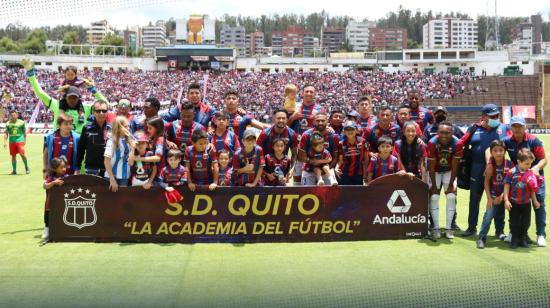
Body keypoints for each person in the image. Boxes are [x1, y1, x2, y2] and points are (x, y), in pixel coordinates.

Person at [459, 104, 511, 237]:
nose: (496, 118)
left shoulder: (504, 128)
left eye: (497, 115)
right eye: (492, 116)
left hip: (497, 170)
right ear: (483, 117)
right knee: (474, 199)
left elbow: (514, 143)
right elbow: (460, 143)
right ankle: (471, 228)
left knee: (497, 201)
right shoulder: (474, 129)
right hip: (476, 169)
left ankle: (499, 231)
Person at [22, 57, 106, 133]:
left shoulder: (86, 108)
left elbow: (105, 104)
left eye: (75, 97)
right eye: (70, 97)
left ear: (79, 97)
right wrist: (31, 74)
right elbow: (40, 93)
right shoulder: (56, 104)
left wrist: (94, 90)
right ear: (65, 96)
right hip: (59, 145)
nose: (72, 100)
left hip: (78, 147)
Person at [502, 116, 547, 247]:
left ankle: (540, 235)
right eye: (514, 126)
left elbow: (544, 159)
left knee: (539, 204)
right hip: (516, 180)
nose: (517, 129)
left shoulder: (534, 141)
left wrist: (536, 168)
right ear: (510, 127)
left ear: (525, 127)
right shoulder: (507, 141)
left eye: (519, 126)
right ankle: (513, 233)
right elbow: (492, 148)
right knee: (515, 207)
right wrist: (489, 163)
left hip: (535, 180)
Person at [427, 122, 462, 239]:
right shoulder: (432, 143)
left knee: (451, 196)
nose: (444, 135)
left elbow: (455, 165)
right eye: (441, 132)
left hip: (449, 171)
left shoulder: (457, 143)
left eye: (447, 133)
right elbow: (431, 166)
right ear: (437, 133)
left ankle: (448, 228)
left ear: (452, 133)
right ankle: (436, 228)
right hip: (435, 171)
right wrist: (433, 185)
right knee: (434, 197)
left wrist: (452, 183)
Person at [476, 140, 513, 249]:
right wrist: (489, 198)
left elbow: (510, 183)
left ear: (505, 151)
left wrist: (501, 197)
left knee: (502, 214)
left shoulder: (510, 164)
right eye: (495, 151)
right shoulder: (489, 165)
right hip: (492, 196)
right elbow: (486, 183)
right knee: (488, 216)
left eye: (501, 150)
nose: (498, 153)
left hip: (506, 196)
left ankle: (501, 233)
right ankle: (481, 238)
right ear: (491, 152)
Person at [504, 148, 542, 249]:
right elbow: (506, 186)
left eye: (530, 164)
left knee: (526, 222)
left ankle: (522, 239)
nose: (529, 166)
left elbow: (532, 189)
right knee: (514, 222)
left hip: (526, 203)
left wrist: (535, 200)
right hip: (514, 202)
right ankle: (514, 240)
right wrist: (506, 200)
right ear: (519, 161)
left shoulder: (530, 173)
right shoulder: (511, 172)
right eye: (527, 164)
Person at [288, 85, 326, 185]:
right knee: (297, 176)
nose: (309, 93)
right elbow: (285, 126)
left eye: (311, 92)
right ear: (302, 93)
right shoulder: (295, 106)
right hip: (298, 147)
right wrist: (292, 117)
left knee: (314, 176)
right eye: (307, 91)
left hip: (314, 147)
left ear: (315, 94)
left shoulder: (320, 109)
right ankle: (297, 198)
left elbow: (324, 126)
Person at [297, 112, 340, 185]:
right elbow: (301, 156)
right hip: (309, 169)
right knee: (307, 193)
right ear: (313, 121)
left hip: (327, 169)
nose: (320, 123)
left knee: (331, 193)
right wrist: (313, 162)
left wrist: (327, 169)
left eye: (323, 120)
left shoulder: (333, 136)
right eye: (318, 120)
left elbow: (335, 157)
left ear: (327, 121)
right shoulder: (306, 135)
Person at [76, 100, 111, 176]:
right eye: (98, 111)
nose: (101, 113)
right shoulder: (86, 128)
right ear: (93, 112)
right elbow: (80, 150)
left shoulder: (112, 128)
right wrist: (77, 167)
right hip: (91, 168)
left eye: (104, 111)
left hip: (108, 169)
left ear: (107, 112)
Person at [43, 114, 80, 178]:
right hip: (53, 175)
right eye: (66, 124)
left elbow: (80, 156)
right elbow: (45, 154)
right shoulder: (50, 137)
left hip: (71, 174)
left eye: (70, 124)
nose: (69, 126)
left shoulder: (77, 138)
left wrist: (77, 170)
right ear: (59, 125)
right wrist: (45, 170)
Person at [104, 116, 135, 192]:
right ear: (118, 127)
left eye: (128, 126)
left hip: (124, 176)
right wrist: (112, 179)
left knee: (121, 201)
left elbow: (131, 163)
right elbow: (106, 161)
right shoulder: (111, 141)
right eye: (125, 126)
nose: (128, 128)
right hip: (111, 176)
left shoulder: (130, 139)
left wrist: (133, 148)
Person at [42, 157, 67, 240]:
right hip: (50, 202)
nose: (64, 169)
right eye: (61, 167)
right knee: (48, 217)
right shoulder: (51, 177)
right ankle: (46, 230)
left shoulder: (66, 177)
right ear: (55, 169)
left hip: (61, 203)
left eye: (65, 166)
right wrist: (54, 183)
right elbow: (45, 186)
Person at [336, 121, 368, 185]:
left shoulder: (363, 141)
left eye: (352, 129)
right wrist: (336, 168)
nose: (349, 131)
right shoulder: (341, 144)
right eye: (347, 129)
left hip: (359, 173)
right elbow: (340, 161)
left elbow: (366, 159)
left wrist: (366, 173)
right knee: (346, 193)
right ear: (344, 132)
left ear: (356, 130)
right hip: (345, 174)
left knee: (358, 193)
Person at [4, 109, 29, 175]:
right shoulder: (8, 123)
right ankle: (14, 171)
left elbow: (24, 132)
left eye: (14, 115)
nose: (13, 116)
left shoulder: (21, 122)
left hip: (20, 141)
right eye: (12, 115)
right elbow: (6, 133)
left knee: (22, 155)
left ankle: (26, 167)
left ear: (17, 115)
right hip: (12, 142)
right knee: (13, 156)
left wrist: (25, 140)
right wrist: (5, 142)